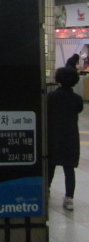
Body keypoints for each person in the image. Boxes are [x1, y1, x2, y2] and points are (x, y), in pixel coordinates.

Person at [47, 66, 84, 211]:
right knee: (69, 169)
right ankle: (69, 198)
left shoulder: (51, 97)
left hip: (53, 136)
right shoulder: (77, 99)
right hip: (70, 137)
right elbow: (79, 110)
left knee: (50, 166)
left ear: (58, 79)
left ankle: (46, 190)